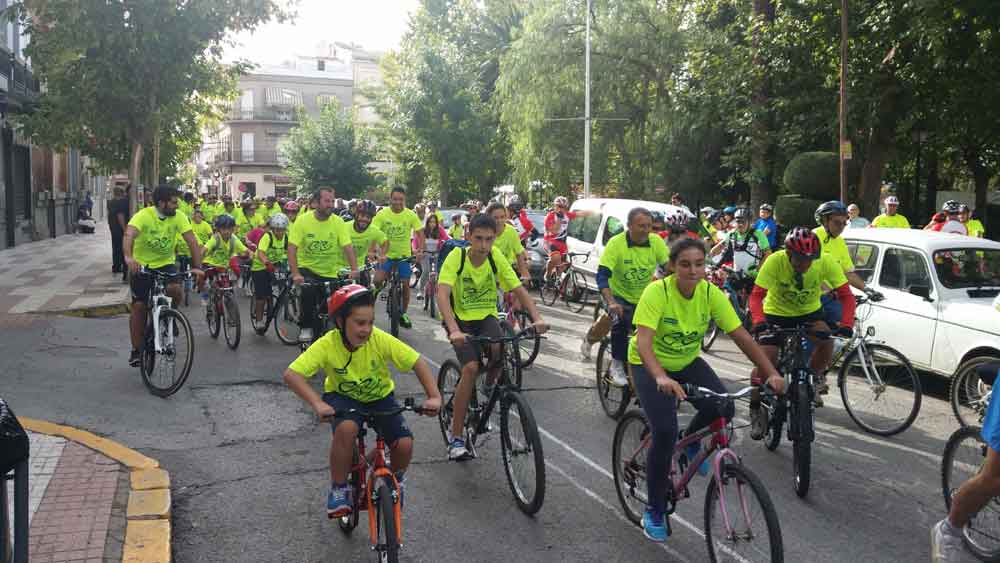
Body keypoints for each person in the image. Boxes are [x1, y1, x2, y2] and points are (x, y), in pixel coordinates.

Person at [629, 237, 784, 543]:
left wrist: (772, 373)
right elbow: (644, 343)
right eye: (685, 264)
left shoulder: (711, 293)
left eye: (699, 264)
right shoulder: (656, 292)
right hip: (649, 364)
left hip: (685, 361)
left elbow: (741, 336)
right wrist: (660, 377)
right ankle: (655, 508)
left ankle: (689, 444)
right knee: (664, 431)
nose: (693, 270)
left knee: (724, 405)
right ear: (673, 266)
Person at [282, 284, 442, 518]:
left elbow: (417, 362)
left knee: (404, 444)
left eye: (370, 322)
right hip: (342, 398)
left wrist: (434, 397)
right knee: (347, 428)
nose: (366, 329)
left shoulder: (378, 339)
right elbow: (292, 375)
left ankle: (396, 482)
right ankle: (339, 488)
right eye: (359, 323)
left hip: (381, 397)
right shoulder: (328, 343)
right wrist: (318, 404)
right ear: (339, 322)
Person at [436, 214, 549, 461]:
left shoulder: (495, 258)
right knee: (471, 367)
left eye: (489, 240)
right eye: (478, 239)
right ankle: (456, 438)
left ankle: (488, 388)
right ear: (469, 237)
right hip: (460, 320)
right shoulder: (458, 258)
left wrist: (537, 318)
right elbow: (442, 293)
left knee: (500, 348)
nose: (484, 245)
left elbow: (519, 289)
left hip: (485, 317)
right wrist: (454, 329)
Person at [746, 227, 856, 437]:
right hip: (775, 314)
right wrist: (759, 321)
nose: (805, 265)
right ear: (788, 254)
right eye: (799, 260)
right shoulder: (775, 261)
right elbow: (756, 296)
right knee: (764, 362)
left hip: (809, 313)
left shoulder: (825, 261)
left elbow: (847, 296)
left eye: (810, 260)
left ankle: (812, 380)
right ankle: (755, 408)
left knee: (826, 340)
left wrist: (846, 323)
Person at [586, 207, 670, 381]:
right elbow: (602, 275)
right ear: (629, 226)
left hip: (643, 296)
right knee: (619, 320)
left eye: (649, 226)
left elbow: (669, 268)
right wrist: (611, 302)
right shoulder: (616, 243)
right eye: (641, 226)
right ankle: (616, 363)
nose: (646, 230)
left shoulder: (656, 242)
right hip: (617, 294)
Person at [123, 185, 203, 366]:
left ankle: (170, 314)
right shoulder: (143, 216)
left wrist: (198, 267)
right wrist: (129, 258)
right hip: (142, 265)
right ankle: (136, 350)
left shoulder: (179, 217)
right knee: (139, 307)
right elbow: (129, 235)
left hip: (166, 264)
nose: (177, 206)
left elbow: (192, 241)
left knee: (175, 289)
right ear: (161, 203)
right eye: (174, 202)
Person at [812, 201, 882, 399]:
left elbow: (848, 272)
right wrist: (825, 289)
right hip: (813, 298)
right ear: (824, 221)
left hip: (832, 297)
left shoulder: (839, 242)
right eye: (837, 223)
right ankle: (809, 375)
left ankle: (816, 373)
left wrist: (867, 289)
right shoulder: (814, 237)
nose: (842, 227)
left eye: (844, 223)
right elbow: (807, 270)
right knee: (818, 336)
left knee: (837, 333)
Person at [289, 187, 359, 343]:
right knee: (308, 292)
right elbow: (292, 248)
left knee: (334, 304)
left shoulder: (338, 222)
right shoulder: (303, 220)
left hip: (329, 272)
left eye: (332, 201)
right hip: (307, 268)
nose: (331, 204)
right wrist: (295, 274)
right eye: (327, 201)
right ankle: (306, 326)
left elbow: (347, 247)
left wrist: (354, 269)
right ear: (316, 203)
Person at [372, 187, 424, 329]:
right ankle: (379, 290)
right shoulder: (382, 214)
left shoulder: (410, 215)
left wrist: (420, 250)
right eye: (395, 199)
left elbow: (420, 233)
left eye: (400, 199)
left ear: (404, 200)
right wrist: (374, 252)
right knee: (377, 280)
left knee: (406, 287)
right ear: (390, 199)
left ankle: (404, 314)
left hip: (403, 257)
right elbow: (373, 233)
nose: (397, 202)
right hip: (386, 256)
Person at [249, 213, 289, 331]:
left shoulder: (286, 237)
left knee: (285, 285)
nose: (279, 232)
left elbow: (292, 251)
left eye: (281, 230)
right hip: (260, 266)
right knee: (262, 295)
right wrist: (267, 263)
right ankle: (259, 320)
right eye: (276, 229)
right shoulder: (267, 237)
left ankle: (283, 307)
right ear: (272, 228)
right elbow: (261, 253)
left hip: (276, 264)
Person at [709, 207, 771, 274]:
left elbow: (768, 254)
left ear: (749, 222)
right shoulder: (732, 234)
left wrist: (759, 269)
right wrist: (710, 259)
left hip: (753, 275)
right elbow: (718, 247)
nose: (740, 224)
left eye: (743, 221)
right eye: (738, 221)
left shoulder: (758, 234)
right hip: (736, 274)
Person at [486, 202, 531, 281]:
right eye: (495, 218)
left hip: (506, 273)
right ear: (489, 217)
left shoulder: (511, 231)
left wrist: (524, 274)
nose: (499, 221)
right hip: (487, 273)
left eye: (502, 217)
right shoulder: (484, 231)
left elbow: (519, 253)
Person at [345, 200, 387, 285]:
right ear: (356, 215)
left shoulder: (373, 230)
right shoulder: (344, 227)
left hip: (360, 269)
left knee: (368, 294)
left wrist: (382, 254)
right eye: (362, 215)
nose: (365, 219)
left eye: (368, 217)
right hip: (340, 270)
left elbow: (385, 242)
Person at [415, 212, 449, 300]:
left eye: (434, 222)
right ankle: (421, 291)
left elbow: (446, 239)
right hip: (425, 254)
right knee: (426, 271)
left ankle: (435, 291)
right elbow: (415, 241)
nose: (432, 224)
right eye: (430, 222)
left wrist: (444, 242)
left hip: (437, 254)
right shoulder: (422, 230)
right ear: (427, 222)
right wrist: (416, 250)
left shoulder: (440, 229)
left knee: (437, 273)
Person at [544, 196, 577, 280]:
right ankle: (547, 275)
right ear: (555, 206)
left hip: (562, 243)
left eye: (564, 207)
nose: (561, 209)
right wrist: (559, 218)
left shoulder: (567, 215)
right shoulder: (550, 216)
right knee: (556, 258)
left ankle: (558, 280)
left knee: (564, 264)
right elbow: (555, 230)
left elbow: (581, 214)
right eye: (559, 207)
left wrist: (597, 211)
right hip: (550, 242)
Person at [108, 187, 130, 279]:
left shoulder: (111, 202)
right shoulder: (122, 202)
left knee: (115, 247)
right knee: (121, 248)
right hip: (119, 229)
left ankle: (116, 266)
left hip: (113, 228)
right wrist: (124, 229)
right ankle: (119, 266)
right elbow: (120, 216)